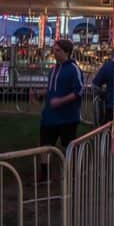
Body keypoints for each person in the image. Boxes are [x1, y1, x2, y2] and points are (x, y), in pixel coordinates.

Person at [37, 39, 84, 180]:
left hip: (67, 117)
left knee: (68, 146)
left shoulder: (73, 69)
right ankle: (44, 175)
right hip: (50, 116)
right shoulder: (54, 69)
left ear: (66, 52)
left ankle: (72, 174)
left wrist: (61, 101)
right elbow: (53, 90)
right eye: (54, 50)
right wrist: (40, 93)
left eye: (58, 50)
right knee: (45, 145)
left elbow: (79, 91)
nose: (54, 53)